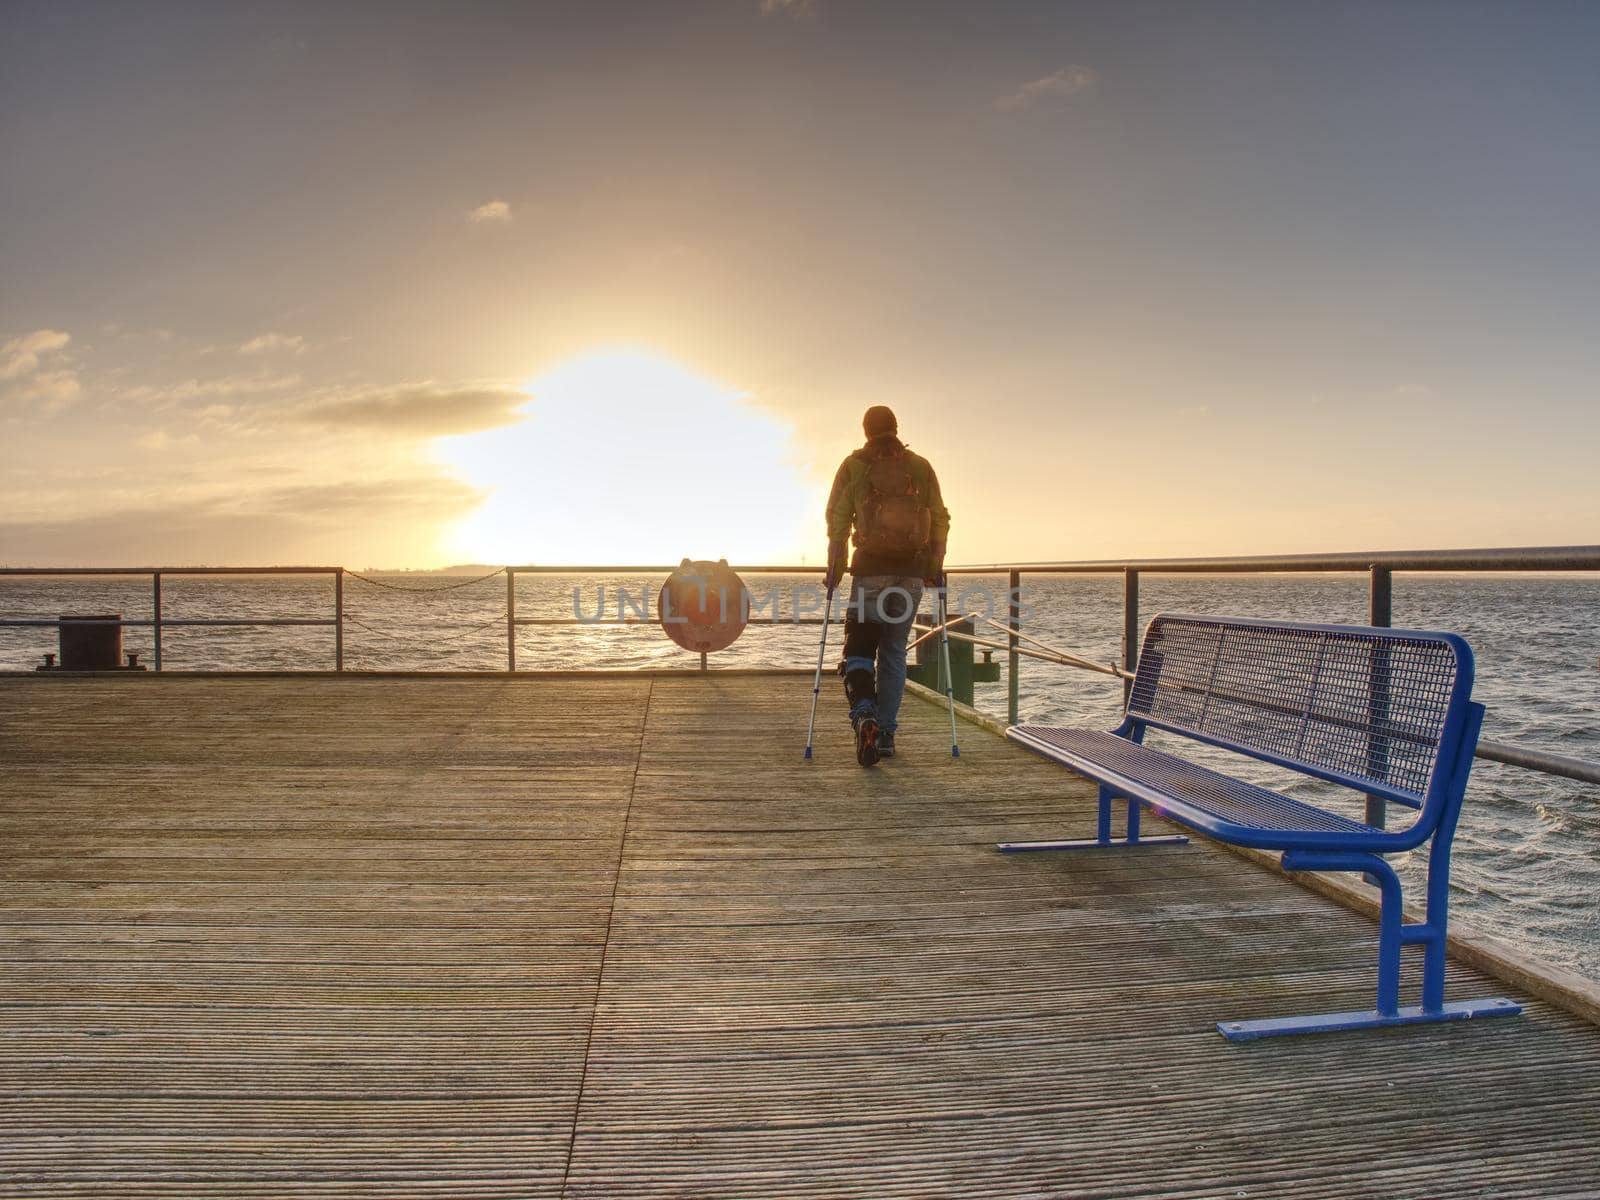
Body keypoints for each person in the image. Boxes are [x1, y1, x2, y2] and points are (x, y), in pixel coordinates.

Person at [824, 405, 950, 766]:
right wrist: (934, 566)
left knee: (860, 647)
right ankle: (887, 735)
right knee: (894, 652)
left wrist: (836, 566)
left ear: (866, 431)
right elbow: (940, 517)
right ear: (896, 428)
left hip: (871, 571)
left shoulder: (854, 465)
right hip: (910, 574)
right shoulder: (920, 467)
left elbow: (836, 518)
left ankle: (865, 714)